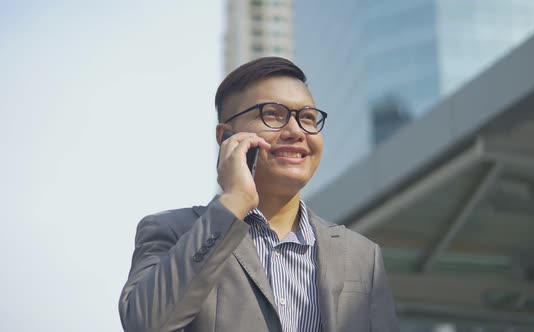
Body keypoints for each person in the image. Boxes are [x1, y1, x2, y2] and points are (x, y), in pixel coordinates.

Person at [119, 57, 399, 332]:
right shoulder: (174, 231)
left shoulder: (361, 256)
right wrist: (234, 201)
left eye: (308, 118)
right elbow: (146, 324)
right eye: (272, 114)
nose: (295, 131)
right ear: (226, 136)